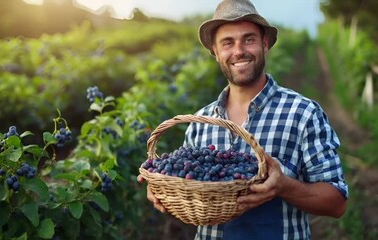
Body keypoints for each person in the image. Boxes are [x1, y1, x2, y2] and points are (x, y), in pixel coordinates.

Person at [138, 0, 348, 239]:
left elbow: (336, 203)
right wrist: (164, 192)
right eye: (227, 43)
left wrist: (283, 186)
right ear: (216, 53)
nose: (239, 51)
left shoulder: (303, 113)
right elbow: (189, 188)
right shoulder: (199, 123)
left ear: (265, 44)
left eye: (248, 39)